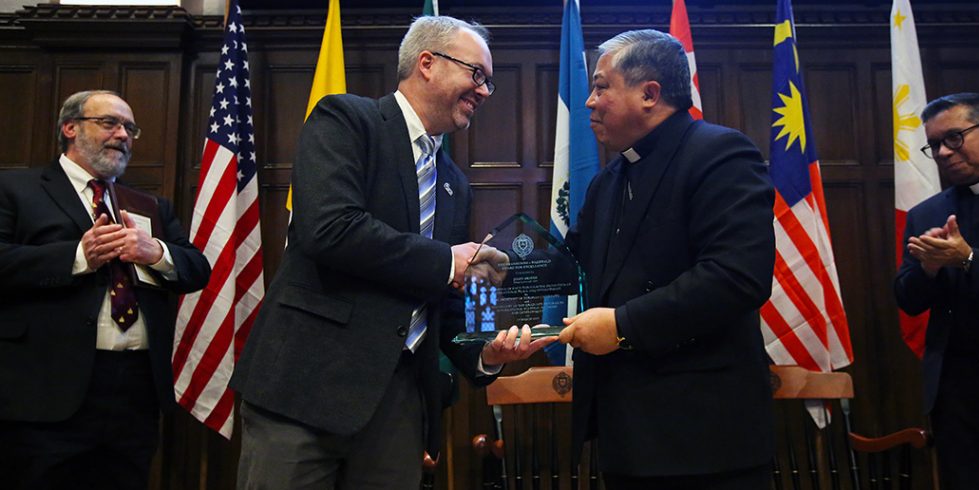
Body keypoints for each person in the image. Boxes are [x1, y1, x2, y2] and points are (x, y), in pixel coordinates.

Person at [230, 16, 553, 489]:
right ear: (427, 63)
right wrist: (449, 260)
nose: (484, 91)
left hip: (399, 405)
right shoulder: (345, 120)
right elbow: (330, 229)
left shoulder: (455, 184)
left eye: (490, 82)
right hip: (306, 389)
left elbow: (444, 298)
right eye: (477, 75)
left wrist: (485, 350)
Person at [556, 29, 776, 488]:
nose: (590, 102)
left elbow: (736, 277)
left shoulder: (720, 154)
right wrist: (496, 270)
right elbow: (566, 267)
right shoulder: (608, 179)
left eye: (601, 87)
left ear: (649, 94)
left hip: (704, 441)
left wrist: (621, 327)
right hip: (625, 436)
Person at [0, 90, 212, 490]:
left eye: (130, 128)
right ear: (70, 128)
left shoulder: (148, 205)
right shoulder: (15, 189)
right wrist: (78, 257)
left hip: (134, 391)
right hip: (45, 391)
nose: (123, 135)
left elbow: (197, 269)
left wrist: (157, 252)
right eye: (109, 123)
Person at [895, 92, 979, 489]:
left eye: (954, 137)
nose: (943, 152)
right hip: (959, 392)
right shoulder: (927, 212)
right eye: (934, 144)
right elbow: (907, 298)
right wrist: (929, 269)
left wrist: (970, 259)